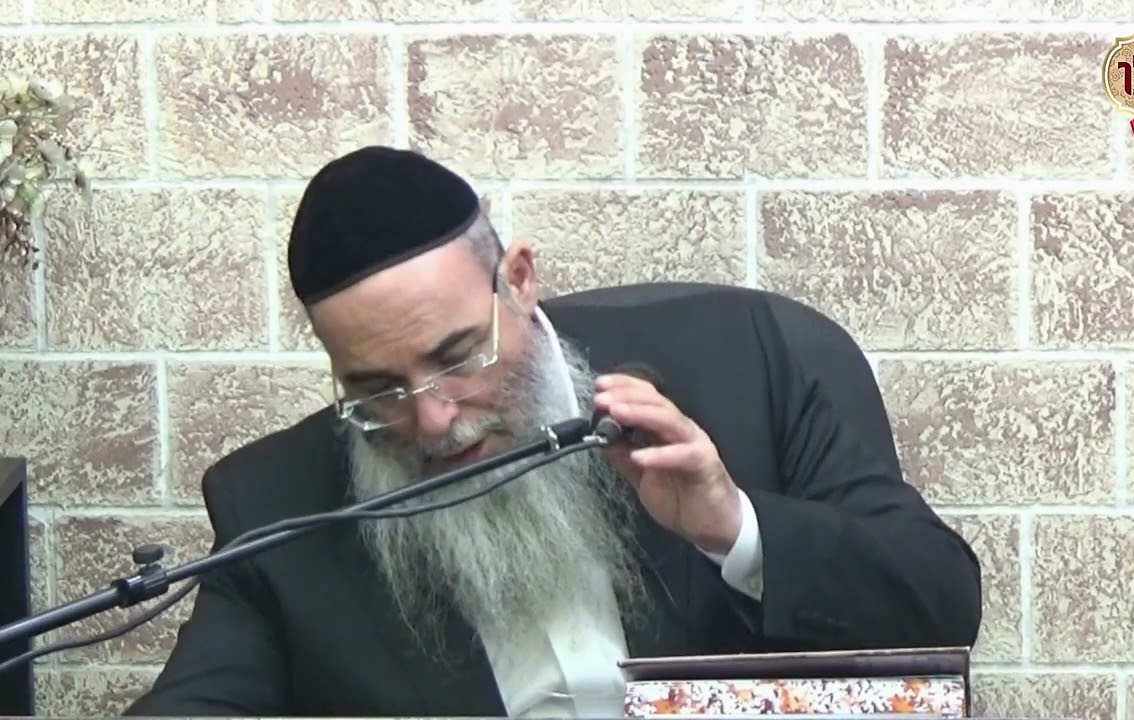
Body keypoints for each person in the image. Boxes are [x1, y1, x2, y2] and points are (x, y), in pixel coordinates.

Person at [123, 146, 982, 717]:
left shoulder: (754, 363)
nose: (433, 419)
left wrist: (735, 528)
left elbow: (942, 606)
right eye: (376, 390)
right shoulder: (279, 508)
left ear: (520, 280)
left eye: (458, 356)